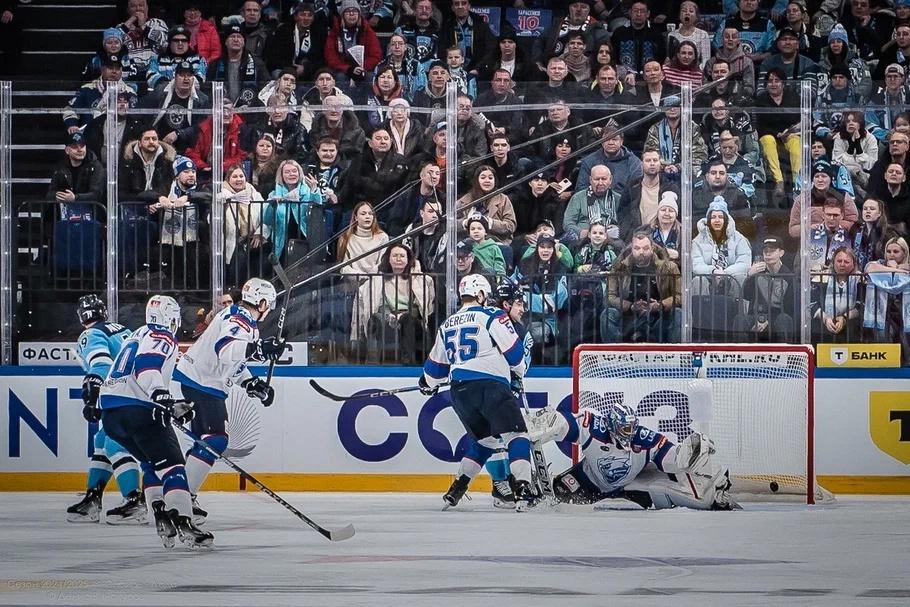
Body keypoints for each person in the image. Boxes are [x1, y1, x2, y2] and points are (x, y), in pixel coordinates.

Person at [98, 295, 212, 549]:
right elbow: (147, 367)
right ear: (170, 318)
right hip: (138, 411)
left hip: (111, 414)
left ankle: (159, 512)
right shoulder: (162, 336)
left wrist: (172, 403)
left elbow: (135, 375)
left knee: (151, 463)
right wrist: (161, 396)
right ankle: (184, 520)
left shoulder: (136, 334)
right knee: (173, 467)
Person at [418, 274, 535, 510]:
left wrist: (425, 384)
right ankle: (523, 489)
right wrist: (516, 374)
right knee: (517, 436)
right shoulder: (492, 315)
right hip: (491, 386)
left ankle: (458, 487)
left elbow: (433, 373)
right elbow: (515, 356)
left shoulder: (447, 323)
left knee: (485, 442)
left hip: (460, 393)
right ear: (481, 295)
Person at [174, 278, 285, 523]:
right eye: (270, 305)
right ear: (263, 302)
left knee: (207, 441)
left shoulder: (239, 317)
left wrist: (250, 383)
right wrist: (259, 349)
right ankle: (182, 499)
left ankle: (177, 494)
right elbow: (226, 349)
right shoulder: (239, 319)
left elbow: (230, 363)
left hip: (203, 382)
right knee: (215, 440)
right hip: (202, 383)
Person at [519, 404, 737, 510]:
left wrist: (692, 454)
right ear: (612, 426)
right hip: (587, 480)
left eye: (631, 428)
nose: (629, 434)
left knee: (663, 496)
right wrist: (548, 423)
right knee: (552, 503)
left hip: (625, 488)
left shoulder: (644, 439)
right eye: (624, 429)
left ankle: (712, 495)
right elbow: (564, 423)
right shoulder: (593, 427)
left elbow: (674, 458)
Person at [66, 295, 141, 524]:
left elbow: (101, 364)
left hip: (122, 396)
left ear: (81, 317)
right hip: (136, 392)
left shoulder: (91, 334)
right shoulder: (122, 330)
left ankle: (134, 500)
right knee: (101, 440)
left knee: (113, 443)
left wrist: (93, 393)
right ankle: (93, 497)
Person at [356, 244, 435, 363]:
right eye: (395, 256)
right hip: (386, 317)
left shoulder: (422, 280)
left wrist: (401, 316)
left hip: (411, 319)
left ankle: (408, 362)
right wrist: (389, 316)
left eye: (402, 256)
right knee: (374, 319)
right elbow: (374, 305)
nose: (398, 259)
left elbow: (427, 309)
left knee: (407, 320)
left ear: (408, 259)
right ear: (388, 258)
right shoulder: (377, 280)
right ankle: (373, 363)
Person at [604, 231, 681, 343]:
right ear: (631, 249)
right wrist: (630, 306)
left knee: (678, 313)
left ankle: (675, 355)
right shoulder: (619, 267)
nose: (641, 252)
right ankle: (613, 354)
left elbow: (681, 296)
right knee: (607, 314)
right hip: (628, 317)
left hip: (658, 318)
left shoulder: (669, 267)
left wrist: (660, 305)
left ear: (652, 248)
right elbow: (610, 296)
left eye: (645, 248)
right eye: (637, 248)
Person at [733, 236, 796, 342]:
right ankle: (740, 354)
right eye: (765, 251)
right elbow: (746, 295)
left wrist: (768, 321)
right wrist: (750, 275)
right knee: (740, 320)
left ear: (781, 253)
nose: (768, 254)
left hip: (776, 318)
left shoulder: (788, 276)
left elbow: (789, 308)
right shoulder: (757, 272)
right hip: (756, 316)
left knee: (784, 320)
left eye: (772, 251)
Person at [139, 61, 211, 153]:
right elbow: (143, 114)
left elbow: (201, 127)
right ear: (175, 77)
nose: (186, 79)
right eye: (182, 75)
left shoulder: (202, 99)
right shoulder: (160, 92)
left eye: (189, 75)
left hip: (187, 149)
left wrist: (179, 134)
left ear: (193, 79)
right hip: (158, 146)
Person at [692, 196, 752, 292]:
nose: (717, 220)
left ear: (726, 220)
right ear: (708, 220)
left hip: (730, 277)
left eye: (720, 217)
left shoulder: (739, 239)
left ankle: (737, 306)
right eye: (713, 217)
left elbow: (744, 263)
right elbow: (696, 265)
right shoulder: (697, 241)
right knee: (698, 280)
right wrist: (713, 271)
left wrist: (725, 273)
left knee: (740, 277)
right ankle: (702, 305)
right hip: (708, 278)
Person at [221, 165, 268, 285]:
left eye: (241, 176)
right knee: (238, 260)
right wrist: (224, 204)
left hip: (254, 238)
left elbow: (266, 214)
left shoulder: (253, 193)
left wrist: (259, 233)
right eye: (234, 176)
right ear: (228, 179)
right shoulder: (221, 195)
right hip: (234, 240)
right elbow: (211, 219)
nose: (239, 179)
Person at [325, 0, 383, 93]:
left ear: (359, 14)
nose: (352, 14)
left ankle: (366, 104)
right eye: (348, 11)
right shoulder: (335, 31)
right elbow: (331, 57)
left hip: (364, 68)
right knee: (340, 77)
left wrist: (363, 67)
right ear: (342, 15)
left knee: (370, 77)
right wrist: (348, 69)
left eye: (355, 11)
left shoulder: (367, 30)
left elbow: (376, 55)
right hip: (343, 69)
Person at [206, 23, 269, 107]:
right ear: (226, 42)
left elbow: (266, 88)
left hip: (250, 111)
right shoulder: (215, 64)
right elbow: (207, 89)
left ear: (243, 42)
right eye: (232, 37)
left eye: (239, 37)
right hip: (222, 111)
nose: (236, 40)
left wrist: (253, 102)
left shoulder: (257, 63)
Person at [46, 132, 105, 221]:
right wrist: (57, 196)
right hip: (65, 216)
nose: (79, 149)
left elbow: (97, 194)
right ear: (67, 150)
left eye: (82, 146)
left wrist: (75, 198)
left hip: (92, 216)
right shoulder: (61, 167)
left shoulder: (95, 166)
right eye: (75, 147)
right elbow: (50, 193)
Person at [265, 1, 326, 80]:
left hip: (309, 71)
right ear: (295, 17)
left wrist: (306, 68)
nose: (306, 18)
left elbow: (321, 60)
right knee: (278, 74)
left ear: (313, 18)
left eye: (310, 15)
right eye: (302, 15)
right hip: (285, 68)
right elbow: (274, 58)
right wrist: (293, 69)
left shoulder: (318, 33)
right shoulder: (283, 31)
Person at [562, 164, 622, 244]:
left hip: (610, 240)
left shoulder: (618, 198)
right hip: (583, 240)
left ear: (610, 180)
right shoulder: (578, 197)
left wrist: (615, 230)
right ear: (590, 180)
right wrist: (582, 233)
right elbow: (567, 223)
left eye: (604, 179)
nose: (600, 183)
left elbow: (625, 223)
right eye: (597, 179)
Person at [815, 246, 863, 343]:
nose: (842, 264)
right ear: (833, 262)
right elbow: (812, 304)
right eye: (839, 261)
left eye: (846, 262)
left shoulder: (860, 279)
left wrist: (844, 318)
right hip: (824, 322)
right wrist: (826, 319)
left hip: (850, 323)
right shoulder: (821, 277)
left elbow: (861, 305)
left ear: (853, 264)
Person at [147, 25, 208, 91]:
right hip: (163, 98)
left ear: (188, 43)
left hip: (190, 97)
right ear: (169, 43)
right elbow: (151, 77)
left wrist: (174, 85)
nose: (180, 43)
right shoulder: (156, 59)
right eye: (176, 40)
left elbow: (200, 78)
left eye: (184, 40)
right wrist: (174, 87)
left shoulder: (198, 59)